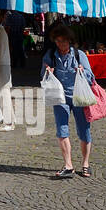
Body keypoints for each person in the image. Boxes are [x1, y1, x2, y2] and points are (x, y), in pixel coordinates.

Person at [42, 24, 96, 179]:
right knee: (62, 130)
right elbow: (43, 74)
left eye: (64, 41)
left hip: (80, 97)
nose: (61, 45)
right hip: (60, 98)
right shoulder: (51, 54)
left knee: (84, 130)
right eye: (58, 41)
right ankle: (68, 165)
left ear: (70, 41)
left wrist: (81, 71)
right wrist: (47, 71)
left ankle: (85, 164)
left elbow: (90, 76)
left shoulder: (79, 55)